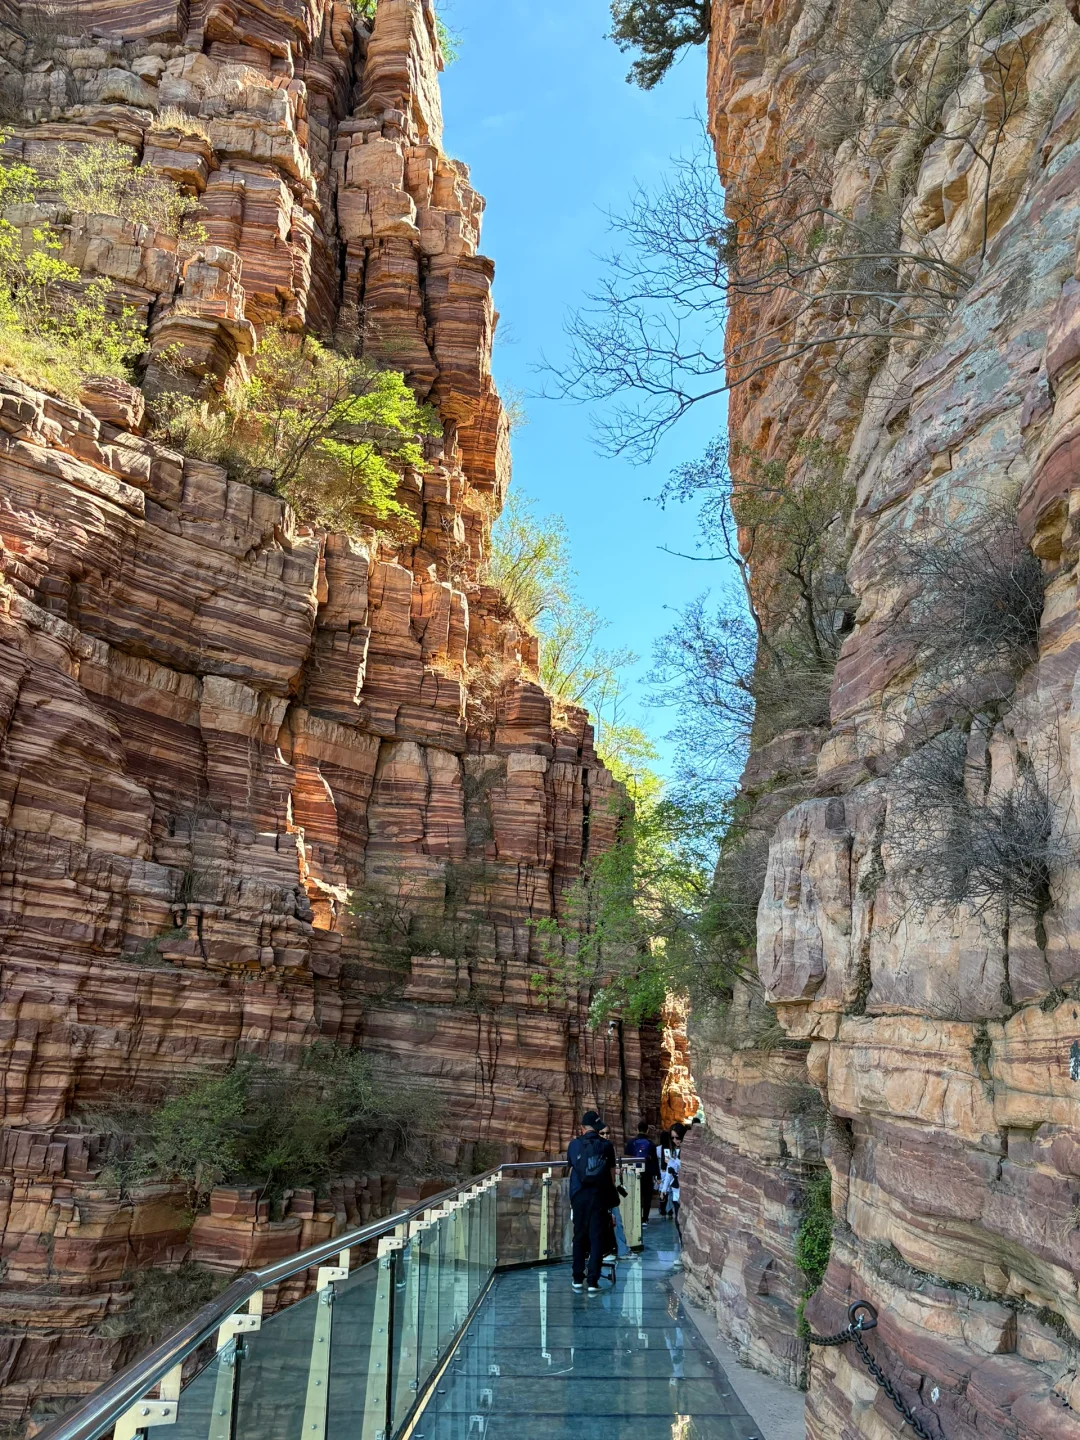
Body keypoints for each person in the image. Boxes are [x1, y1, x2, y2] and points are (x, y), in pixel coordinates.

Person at [567, 1109, 617, 1293]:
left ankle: (577, 1278)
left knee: (579, 1236)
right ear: (596, 1127)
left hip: (579, 1196)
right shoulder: (606, 1145)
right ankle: (593, 1280)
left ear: (582, 1128)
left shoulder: (574, 1145)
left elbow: (572, 1170)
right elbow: (611, 1176)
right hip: (599, 1196)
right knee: (597, 1237)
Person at [600, 1124, 631, 1259]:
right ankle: (618, 1250)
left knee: (616, 1220)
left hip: (608, 1190)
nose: (606, 1136)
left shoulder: (608, 1148)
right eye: (602, 1133)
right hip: (603, 1191)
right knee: (612, 1220)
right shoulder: (598, 1148)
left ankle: (621, 1249)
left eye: (607, 1133)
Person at [624, 1120, 661, 1225]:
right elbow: (654, 1161)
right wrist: (657, 1176)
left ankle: (636, 1218)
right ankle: (645, 1219)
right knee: (647, 1196)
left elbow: (627, 1158)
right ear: (647, 1130)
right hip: (647, 1173)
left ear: (637, 1129)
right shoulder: (651, 1144)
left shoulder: (631, 1143)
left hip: (633, 1172)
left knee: (635, 1195)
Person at [656, 1129, 673, 1217]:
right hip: (668, 1172)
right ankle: (669, 1210)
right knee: (669, 1192)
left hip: (660, 1172)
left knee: (662, 1192)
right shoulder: (669, 1150)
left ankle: (662, 1210)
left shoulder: (657, 1149)